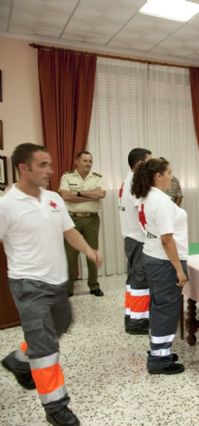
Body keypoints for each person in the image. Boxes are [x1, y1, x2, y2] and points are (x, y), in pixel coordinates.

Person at [0, 143, 102, 426]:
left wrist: (89, 250)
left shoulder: (54, 199)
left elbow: (68, 231)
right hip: (27, 284)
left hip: (57, 282)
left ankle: (20, 359)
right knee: (45, 347)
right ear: (24, 168)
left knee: (61, 324)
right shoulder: (6, 205)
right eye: (43, 165)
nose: (50, 170)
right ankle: (56, 406)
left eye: (50, 164)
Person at [132, 158, 188, 374]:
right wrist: (179, 269)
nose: (171, 177)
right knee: (166, 309)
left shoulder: (146, 197)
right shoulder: (161, 201)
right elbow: (167, 239)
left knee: (158, 306)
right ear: (158, 176)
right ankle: (160, 360)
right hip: (164, 261)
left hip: (152, 257)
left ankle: (158, 349)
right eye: (169, 173)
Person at [59, 151, 106, 297]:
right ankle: (68, 289)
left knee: (92, 252)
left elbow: (101, 194)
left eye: (90, 161)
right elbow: (65, 196)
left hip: (92, 219)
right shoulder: (67, 176)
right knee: (70, 255)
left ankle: (93, 286)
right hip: (72, 220)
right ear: (77, 162)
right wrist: (89, 195)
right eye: (85, 161)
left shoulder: (97, 178)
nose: (88, 164)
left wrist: (77, 194)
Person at [118, 148, 152, 335]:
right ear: (140, 163)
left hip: (130, 236)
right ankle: (138, 322)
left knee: (133, 279)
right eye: (149, 161)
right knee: (140, 278)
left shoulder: (127, 179)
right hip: (138, 237)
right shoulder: (134, 182)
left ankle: (131, 315)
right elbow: (142, 212)